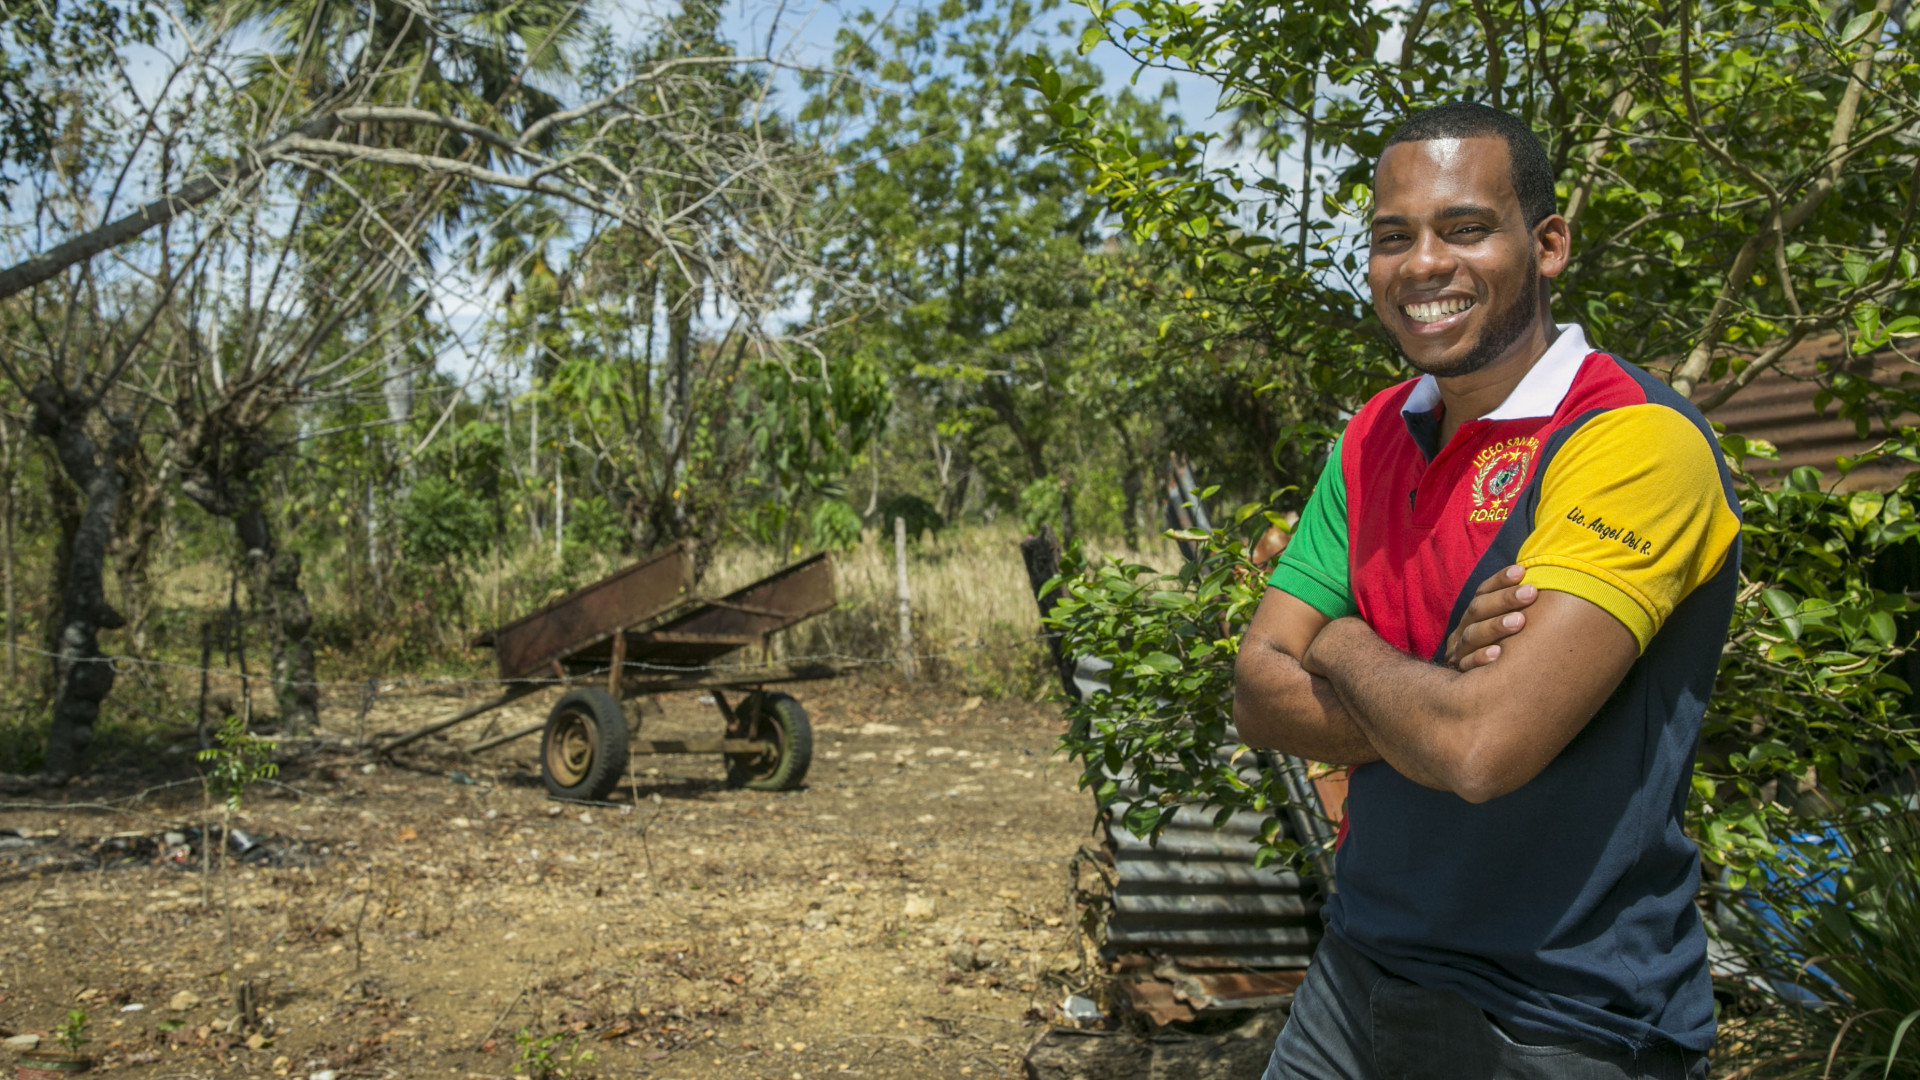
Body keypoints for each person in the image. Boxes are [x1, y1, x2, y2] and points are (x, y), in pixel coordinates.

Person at [1236, 101, 1740, 1079]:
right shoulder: (1372, 436)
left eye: (1464, 227)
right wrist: (1435, 689)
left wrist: (1338, 640)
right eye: (1393, 238)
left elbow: (1478, 749)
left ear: (1547, 245)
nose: (1423, 264)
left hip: (1563, 1015)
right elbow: (1258, 692)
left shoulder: (1633, 441)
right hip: (1357, 969)